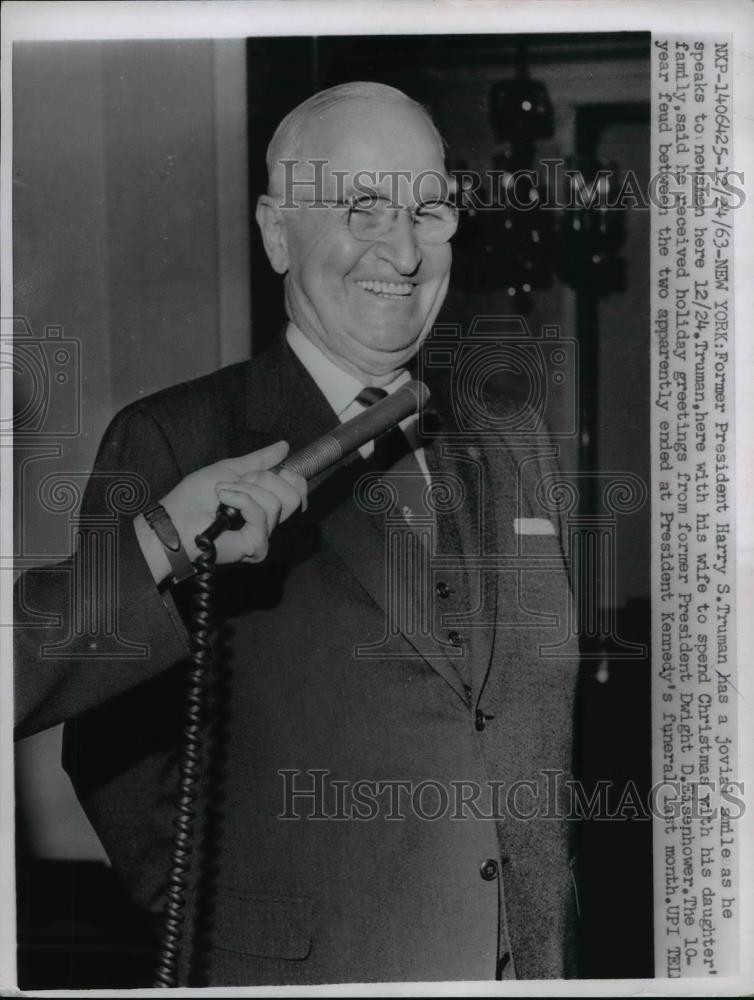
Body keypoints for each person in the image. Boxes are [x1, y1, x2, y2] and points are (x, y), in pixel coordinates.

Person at [15, 82, 580, 985]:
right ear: (278, 233)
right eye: (361, 208)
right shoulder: (178, 438)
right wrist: (229, 931)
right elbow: (110, 750)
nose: (401, 251)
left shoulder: (512, 430)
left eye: (427, 209)